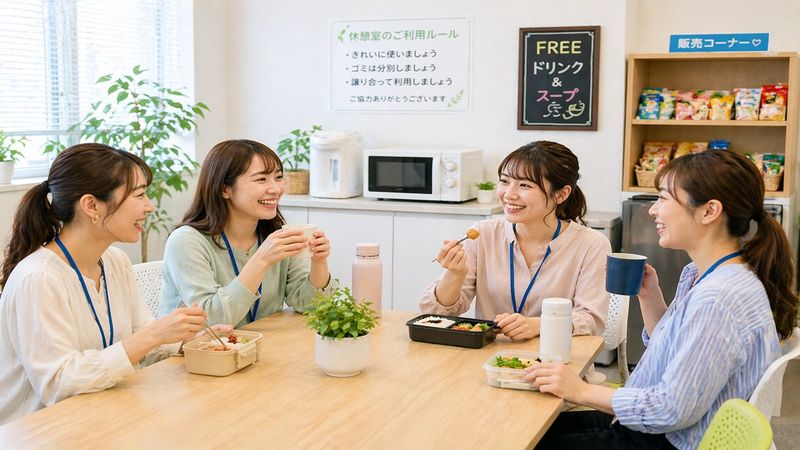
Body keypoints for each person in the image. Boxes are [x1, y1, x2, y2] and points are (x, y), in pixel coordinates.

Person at [528, 149, 798, 450]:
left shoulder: (718, 298)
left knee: (524, 439)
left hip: (666, 439)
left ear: (709, 211)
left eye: (664, 199)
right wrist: (650, 296)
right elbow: (674, 350)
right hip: (648, 428)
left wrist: (579, 390)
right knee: (527, 425)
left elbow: (670, 410)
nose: (653, 211)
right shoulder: (702, 273)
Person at [0, 144, 223, 425]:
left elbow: (141, 336)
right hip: (41, 431)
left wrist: (186, 341)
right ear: (91, 206)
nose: (150, 206)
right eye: (139, 195)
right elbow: (58, 384)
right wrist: (153, 335)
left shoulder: (115, 261)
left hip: (104, 414)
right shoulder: (39, 278)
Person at [419, 141, 611, 340]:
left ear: (561, 194)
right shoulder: (482, 234)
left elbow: (591, 320)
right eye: (504, 181)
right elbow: (437, 314)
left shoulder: (591, 244)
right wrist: (455, 274)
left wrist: (540, 325)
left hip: (556, 355)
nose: (509, 194)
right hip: (489, 354)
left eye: (525, 185)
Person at [160, 139, 332, 327]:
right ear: (224, 189)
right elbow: (211, 319)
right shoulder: (186, 242)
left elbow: (311, 306)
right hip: (198, 345)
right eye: (261, 179)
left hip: (260, 342)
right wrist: (261, 260)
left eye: (278, 177)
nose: (275, 189)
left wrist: (319, 261)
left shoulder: (277, 234)